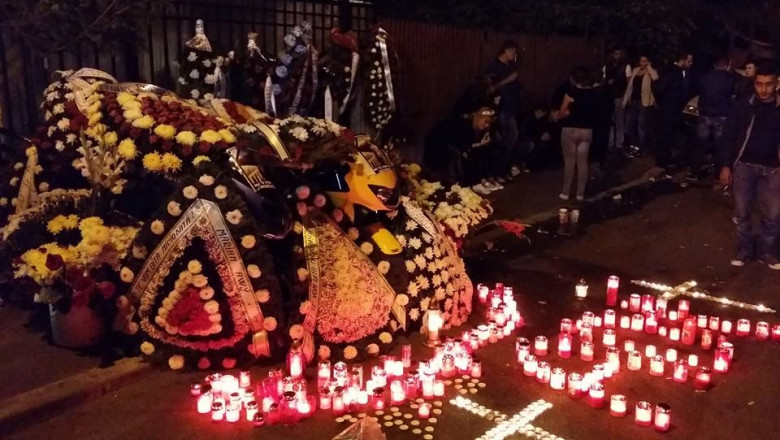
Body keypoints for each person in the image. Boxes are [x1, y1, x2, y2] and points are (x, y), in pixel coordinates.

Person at [718, 62, 780, 269]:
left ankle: (767, 252)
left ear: (777, 84)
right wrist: (725, 166)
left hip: (773, 169)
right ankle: (744, 250)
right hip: (744, 166)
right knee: (742, 213)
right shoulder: (743, 105)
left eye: (768, 84)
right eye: (759, 84)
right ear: (754, 83)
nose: (763, 89)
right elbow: (728, 136)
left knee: (772, 214)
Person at [423, 106, 501, 195]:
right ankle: (462, 184)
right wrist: (480, 144)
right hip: (437, 143)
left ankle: (477, 181)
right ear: (478, 118)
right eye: (485, 122)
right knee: (461, 156)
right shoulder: (464, 125)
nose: (487, 125)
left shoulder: (473, 125)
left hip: (450, 143)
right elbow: (462, 145)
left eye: (489, 123)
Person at [689, 55, 735, 181]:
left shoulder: (704, 77)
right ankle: (717, 175)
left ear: (714, 65)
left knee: (699, 145)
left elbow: (698, 91)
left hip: (705, 115)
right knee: (719, 147)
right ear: (726, 65)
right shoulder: (730, 79)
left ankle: (695, 172)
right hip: (722, 116)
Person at [555, 66, 597, 201]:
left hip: (570, 128)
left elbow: (562, 112)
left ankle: (566, 192)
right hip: (587, 130)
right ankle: (580, 194)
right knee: (583, 162)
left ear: (573, 78)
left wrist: (562, 115)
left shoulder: (570, 92)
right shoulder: (594, 93)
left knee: (569, 162)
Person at [485, 40, 525, 176]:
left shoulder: (510, 66)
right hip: (502, 107)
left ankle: (505, 165)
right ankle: (499, 168)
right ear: (507, 50)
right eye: (513, 52)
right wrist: (509, 80)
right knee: (502, 138)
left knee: (512, 136)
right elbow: (491, 88)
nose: (514, 55)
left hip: (511, 106)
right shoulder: (494, 67)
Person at [654, 51, 694, 169]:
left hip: (674, 108)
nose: (691, 64)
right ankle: (663, 159)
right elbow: (660, 87)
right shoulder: (673, 71)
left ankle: (667, 157)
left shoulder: (679, 72)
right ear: (683, 59)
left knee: (671, 134)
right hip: (669, 108)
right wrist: (664, 101)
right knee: (666, 134)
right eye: (689, 61)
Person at [622, 54, 659, 158]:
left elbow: (656, 78)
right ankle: (634, 144)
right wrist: (625, 99)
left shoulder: (650, 71)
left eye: (644, 61)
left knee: (641, 126)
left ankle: (639, 147)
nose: (642, 63)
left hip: (644, 102)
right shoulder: (635, 70)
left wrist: (649, 67)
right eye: (641, 61)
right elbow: (630, 86)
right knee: (628, 125)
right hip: (633, 100)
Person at [602, 45, 631, 153]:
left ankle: (619, 143)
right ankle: (610, 143)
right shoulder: (607, 66)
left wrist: (626, 98)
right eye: (615, 54)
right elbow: (603, 80)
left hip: (619, 96)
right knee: (610, 121)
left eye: (619, 54)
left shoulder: (625, 66)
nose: (617, 56)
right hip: (609, 97)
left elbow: (629, 84)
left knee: (619, 121)